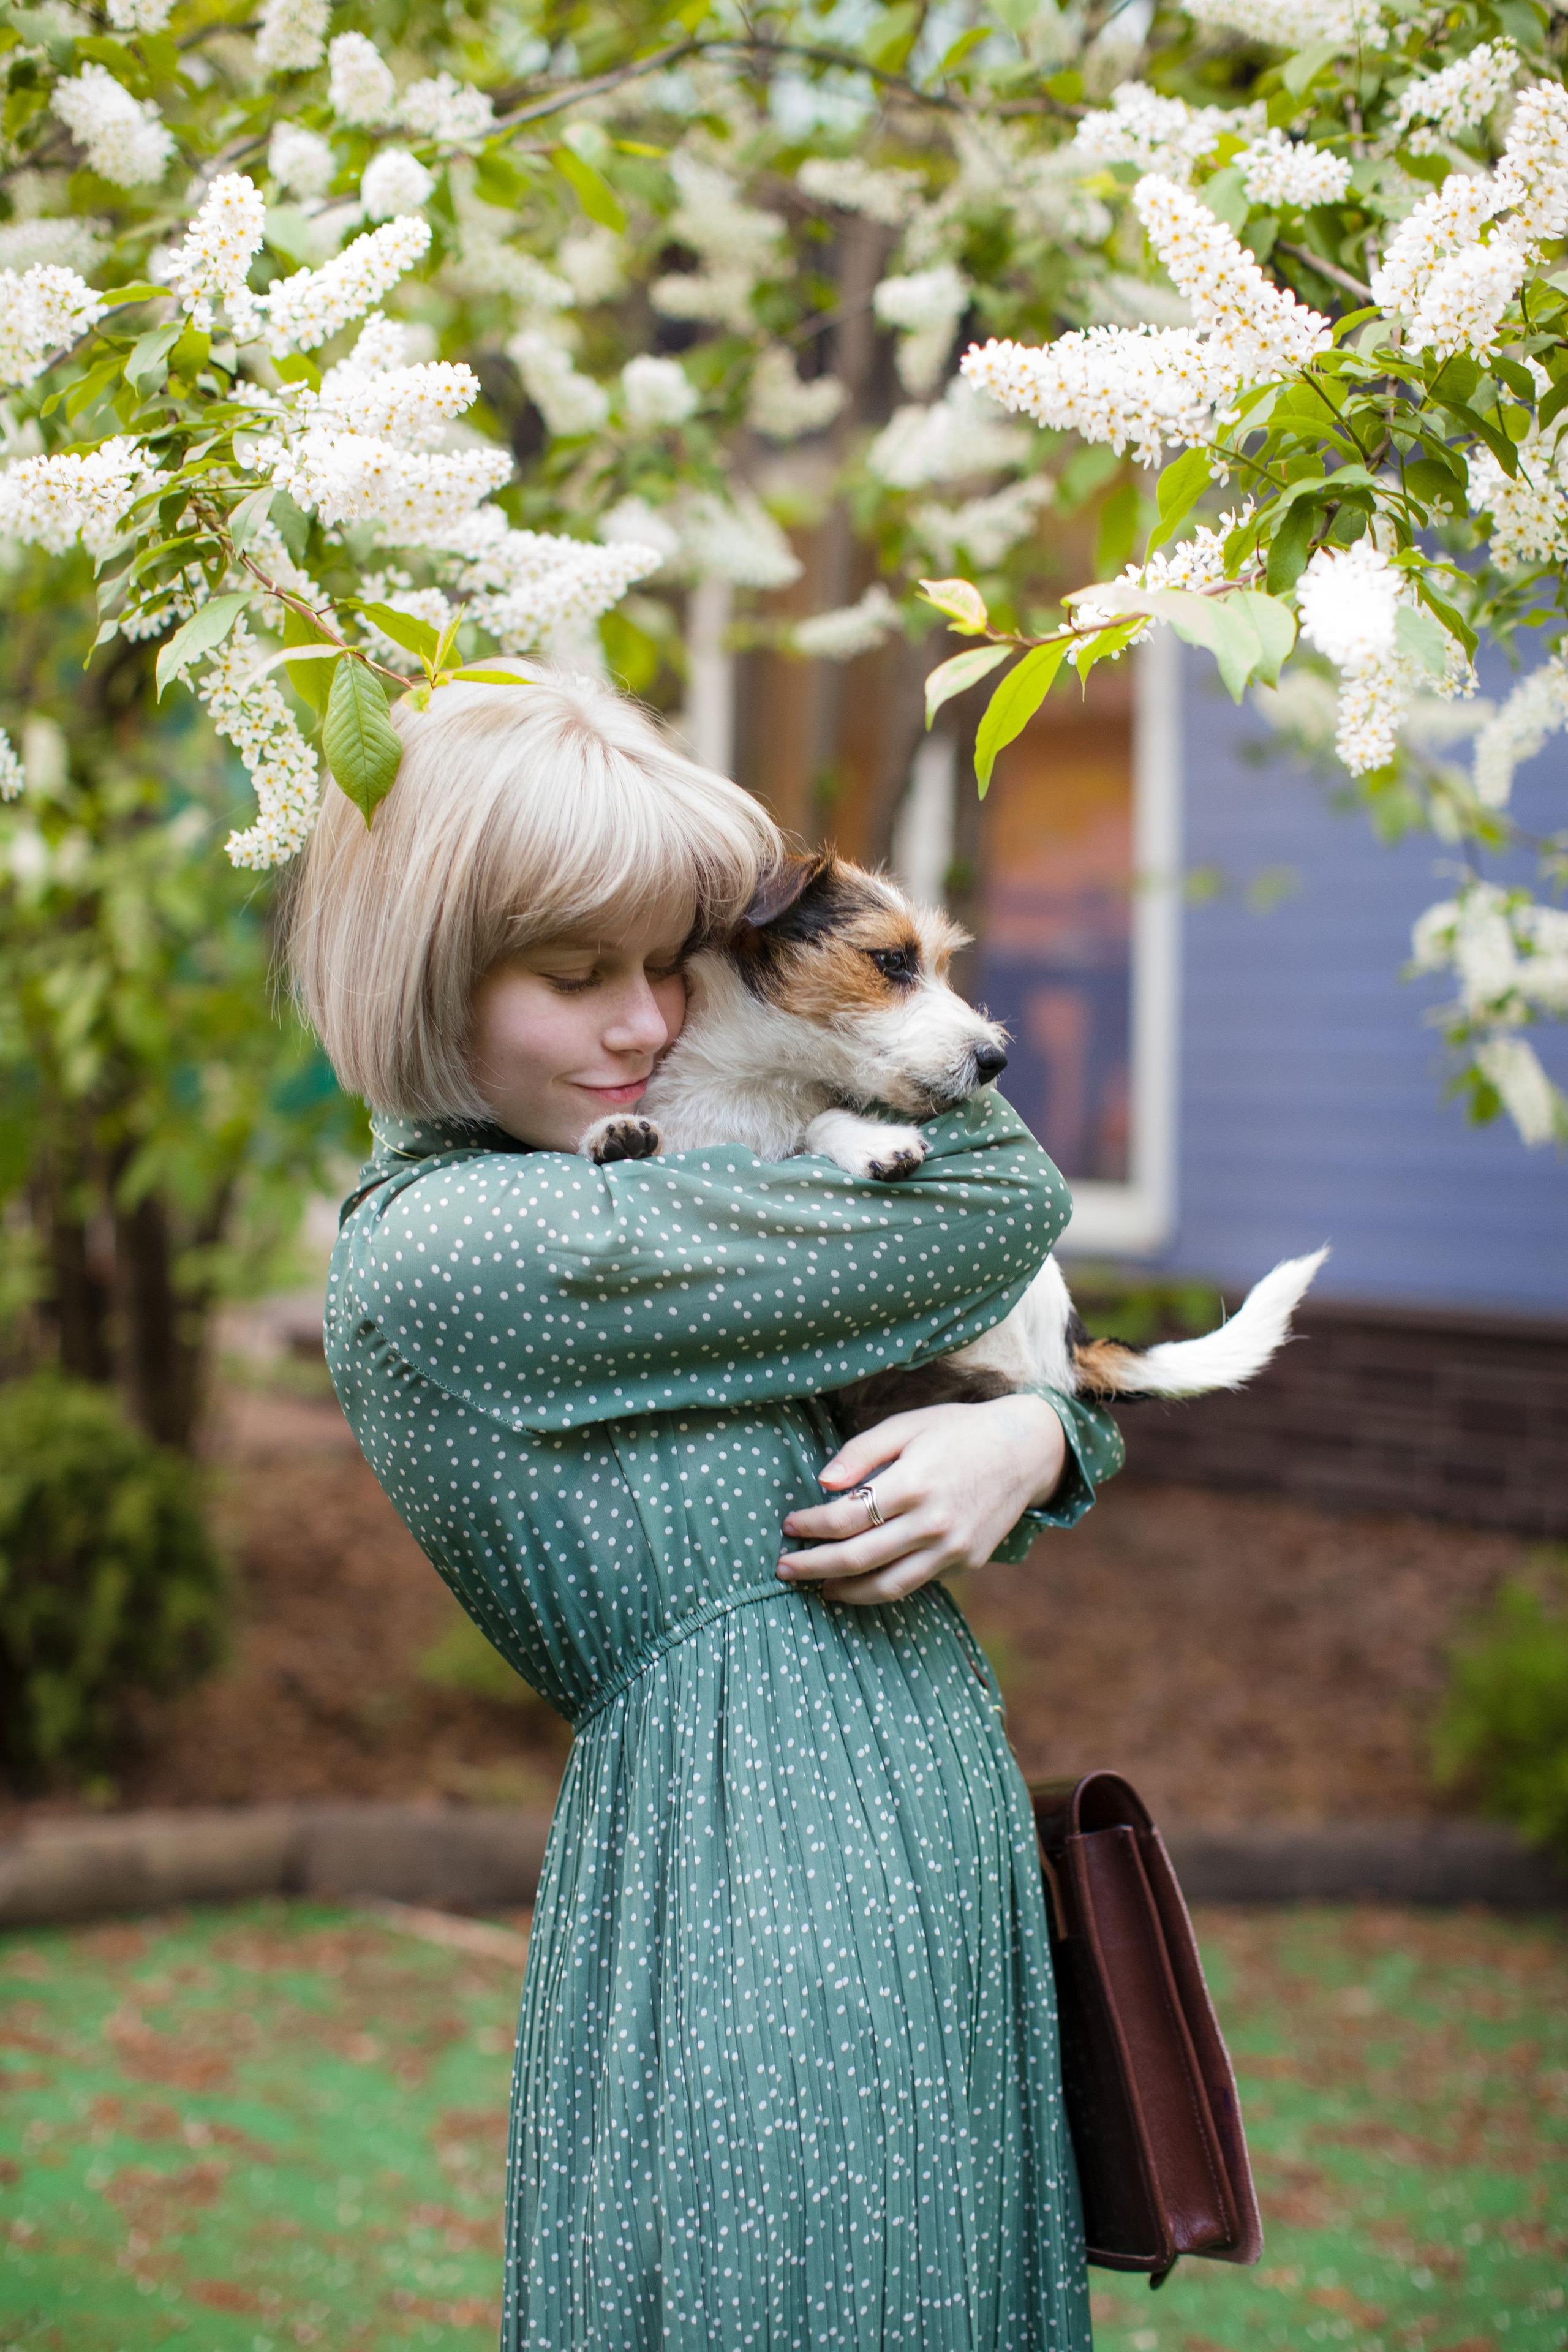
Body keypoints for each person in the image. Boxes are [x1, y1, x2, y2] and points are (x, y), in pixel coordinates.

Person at [288, 665, 1125, 2351]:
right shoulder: (457, 1248)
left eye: (672, 965)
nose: (646, 1026)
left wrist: (1035, 1439)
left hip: (916, 1823)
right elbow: (1002, 1199)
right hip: (758, 1864)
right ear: (422, 973)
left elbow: (994, 1319)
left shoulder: (662, 1171)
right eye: (570, 975)